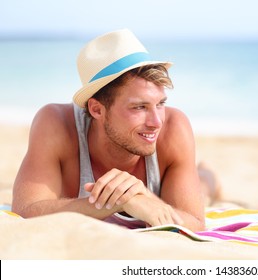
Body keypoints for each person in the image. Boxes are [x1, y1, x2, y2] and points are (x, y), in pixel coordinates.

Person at [11, 29, 210, 232]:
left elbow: (196, 223)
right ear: (97, 109)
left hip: (185, 182)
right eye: (139, 107)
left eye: (160, 104)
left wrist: (145, 197)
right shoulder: (57, 123)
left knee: (205, 188)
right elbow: (25, 211)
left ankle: (206, 175)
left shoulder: (174, 127)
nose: (156, 122)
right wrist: (119, 200)